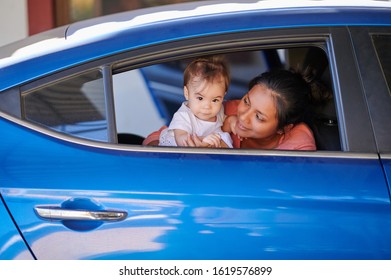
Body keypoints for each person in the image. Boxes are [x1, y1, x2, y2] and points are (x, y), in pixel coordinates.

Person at [144, 68, 322, 150]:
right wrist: (181, 143)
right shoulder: (225, 109)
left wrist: (220, 155)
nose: (243, 117)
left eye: (259, 117)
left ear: (284, 128)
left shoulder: (298, 146)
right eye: (247, 101)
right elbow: (154, 139)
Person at [158, 56, 233, 148]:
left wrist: (233, 121)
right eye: (200, 98)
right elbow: (181, 139)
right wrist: (202, 139)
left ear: (223, 96)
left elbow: (225, 120)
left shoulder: (219, 109)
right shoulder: (183, 116)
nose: (207, 106)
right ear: (187, 93)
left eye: (215, 100)